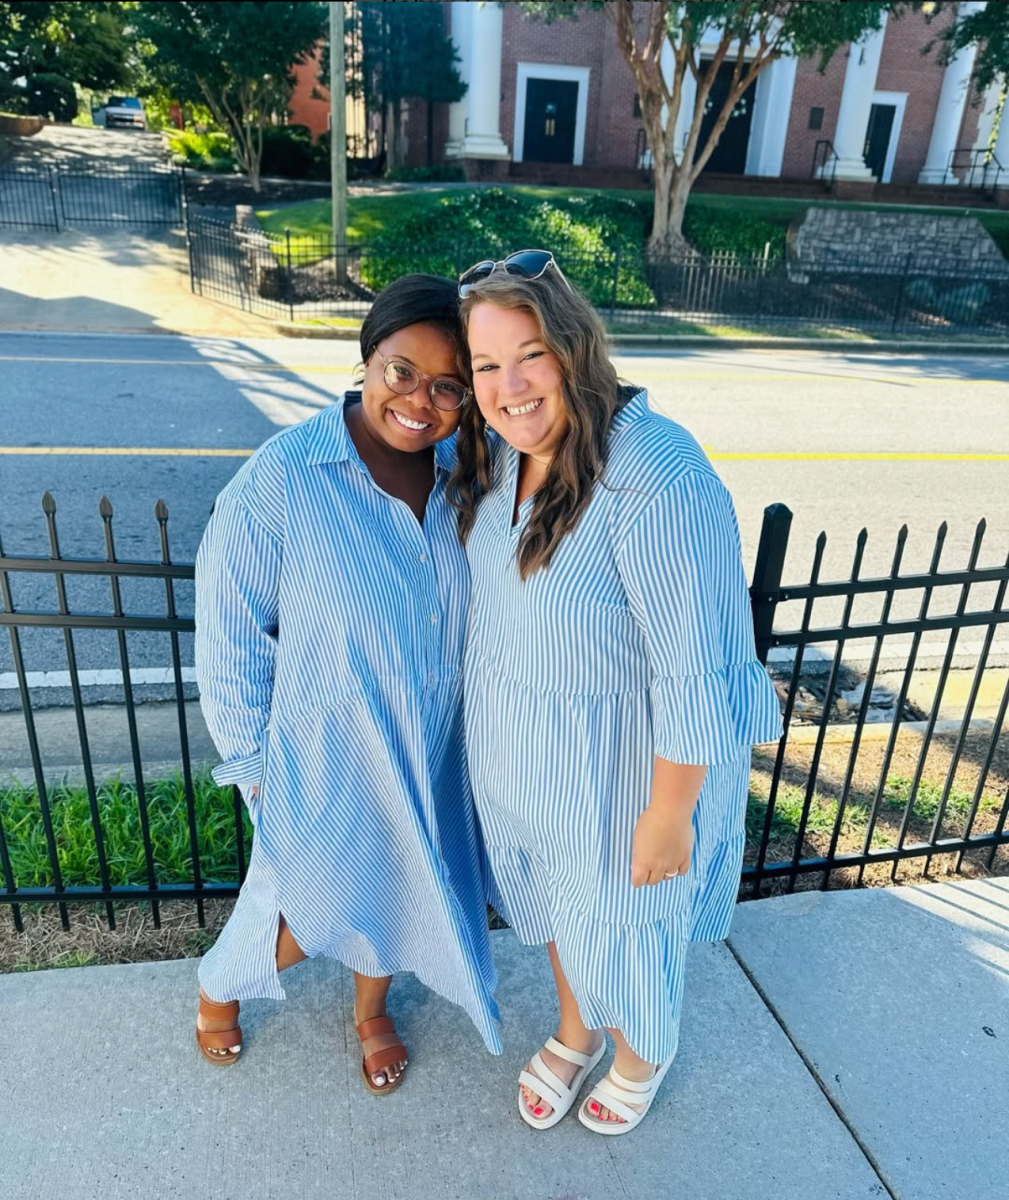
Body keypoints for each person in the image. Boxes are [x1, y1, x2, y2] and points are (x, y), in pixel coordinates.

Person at [449, 251, 782, 1134]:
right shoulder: (501, 451)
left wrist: (670, 812)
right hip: (523, 763)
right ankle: (575, 1028)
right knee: (559, 907)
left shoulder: (655, 472)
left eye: (528, 355)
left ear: (572, 345)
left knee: (627, 926)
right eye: (485, 365)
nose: (507, 384)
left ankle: (640, 1051)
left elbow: (697, 661)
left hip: (617, 772)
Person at [193, 274, 502, 1091]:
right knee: (299, 906)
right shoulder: (284, 478)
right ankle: (217, 990)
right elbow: (229, 634)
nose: (422, 401)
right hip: (323, 749)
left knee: (407, 884)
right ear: (368, 357)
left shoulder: (465, 477)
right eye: (403, 371)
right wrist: (255, 771)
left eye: (450, 387)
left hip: (434, 740)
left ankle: (371, 1012)